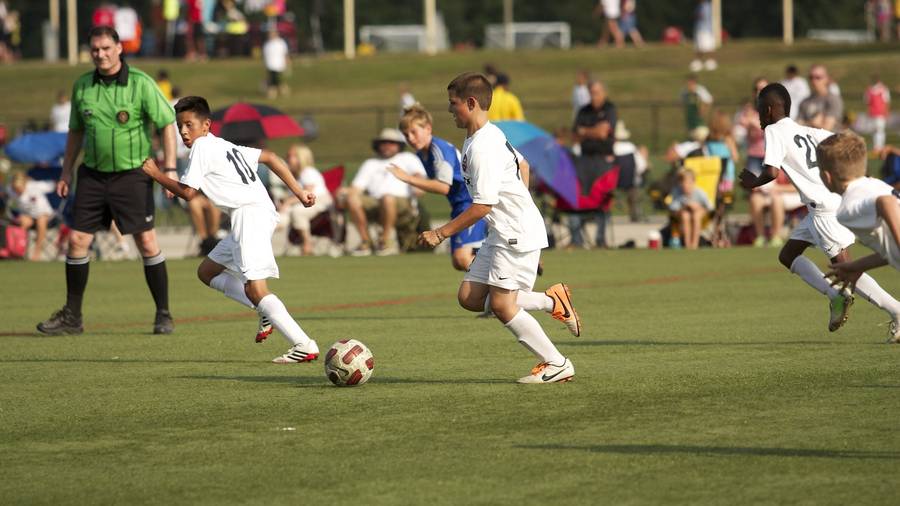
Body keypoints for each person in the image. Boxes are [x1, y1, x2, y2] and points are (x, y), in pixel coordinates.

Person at [419, 71, 581, 384]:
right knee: (469, 297)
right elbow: (523, 165)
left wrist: (441, 233)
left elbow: (483, 206)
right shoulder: (486, 135)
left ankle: (557, 363)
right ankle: (552, 301)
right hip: (503, 230)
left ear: (471, 102)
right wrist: (517, 202)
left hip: (514, 234)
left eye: (453, 104)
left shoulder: (482, 147)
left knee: (503, 306)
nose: (450, 110)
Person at [142, 95, 323, 362]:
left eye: (189, 125)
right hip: (253, 213)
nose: (183, 131)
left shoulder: (202, 147)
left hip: (249, 215)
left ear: (206, 125)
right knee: (207, 271)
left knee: (256, 288)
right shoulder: (223, 145)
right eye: (179, 126)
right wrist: (298, 192)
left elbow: (190, 193)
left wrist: (157, 175)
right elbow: (271, 157)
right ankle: (262, 309)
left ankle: (303, 344)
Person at [36, 26, 178, 336]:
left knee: (146, 242)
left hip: (132, 174)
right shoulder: (83, 86)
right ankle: (72, 317)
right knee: (76, 241)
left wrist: (169, 169)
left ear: (119, 49)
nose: (100, 54)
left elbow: (168, 123)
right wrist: (65, 172)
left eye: (106, 48)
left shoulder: (141, 83)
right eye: (95, 49)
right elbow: (75, 131)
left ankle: (163, 314)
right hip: (92, 175)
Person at [738, 83, 900, 335]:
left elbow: (771, 171)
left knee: (848, 271)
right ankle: (835, 295)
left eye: (760, 109)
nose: (759, 115)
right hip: (822, 207)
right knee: (788, 256)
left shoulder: (773, 130)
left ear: (769, 110)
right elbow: (844, 146)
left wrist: (752, 182)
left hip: (824, 211)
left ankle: (896, 311)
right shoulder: (810, 131)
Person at [819, 132, 900, 343]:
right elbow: (890, 252)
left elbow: (886, 203)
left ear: (826, 177)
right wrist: (856, 266)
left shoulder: (847, 209)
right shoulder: (874, 184)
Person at [391, 103, 488, 271]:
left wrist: (407, 178)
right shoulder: (422, 154)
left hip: (471, 203)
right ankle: (504, 273)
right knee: (462, 261)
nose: (411, 138)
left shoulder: (438, 149)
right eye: (406, 135)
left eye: (414, 132)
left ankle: (509, 271)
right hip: (460, 205)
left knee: (462, 258)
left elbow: (443, 187)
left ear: (428, 128)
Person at [344, 128, 427, 256]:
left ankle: (385, 241)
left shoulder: (407, 158)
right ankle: (365, 242)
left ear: (399, 145)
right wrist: (345, 192)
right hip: (375, 201)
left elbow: (419, 175)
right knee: (352, 198)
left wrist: (419, 186)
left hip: (402, 202)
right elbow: (357, 187)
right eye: (384, 143)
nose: (387, 146)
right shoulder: (370, 163)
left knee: (387, 198)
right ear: (378, 145)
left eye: (391, 142)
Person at [277, 144, 332, 256]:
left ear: (301, 158)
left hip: (319, 202)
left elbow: (307, 192)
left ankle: (307, 244)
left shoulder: (308, 172)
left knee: (297, 212)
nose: (287, 159)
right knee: (281, 217)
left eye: (291, 156)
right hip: (302, 203)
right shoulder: (296, 176)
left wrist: (287, 203)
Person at [8, 172, 55, 261]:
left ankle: (37, 252)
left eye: (19, 188)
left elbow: (52, 185)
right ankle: (19, 251)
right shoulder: (10, 189)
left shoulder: (35, 186)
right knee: (23, 221)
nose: (17, 191)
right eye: (15, 189)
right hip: (28, 216)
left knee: (41, 220)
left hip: (45, 215)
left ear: (24, 184)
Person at [668, 169, 712, 249]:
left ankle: (694, 244)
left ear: (693, 182)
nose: (686, 185)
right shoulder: (677, 192)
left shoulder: (700, 192)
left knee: (696, 215)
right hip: (682, 215)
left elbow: (710, 207)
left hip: (699, 215)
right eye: (684, 183)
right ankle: (687, 245)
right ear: (680, 183)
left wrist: (698, 207)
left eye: (689, 183)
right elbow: (673, 208)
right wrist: (685, 206)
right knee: (685, 215)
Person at [797, 65, 843, 131]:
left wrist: (807, 123)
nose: (813, 80)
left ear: (827, 79)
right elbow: (797, 127)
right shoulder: (804, 102)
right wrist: (813, 123)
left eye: (818, 77)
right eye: (811, 77)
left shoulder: (833, 100)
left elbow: (827, 129)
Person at [865, 74, 890, 151]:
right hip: (874, 113)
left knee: (879, 130)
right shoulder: (870, 90)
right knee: (876, 130)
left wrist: (886, 111)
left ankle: (879, 146)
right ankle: (877, 146)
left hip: (879, 113)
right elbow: (868, 102)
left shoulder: (883, 89)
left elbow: (886, 102)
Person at [262, 29, 289, 99]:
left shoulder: (280, 43)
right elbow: (266, 56)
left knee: (275, 79)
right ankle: (277, 91)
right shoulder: (267, 44)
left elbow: (285, 54)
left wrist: (287, 64)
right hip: (270, 65)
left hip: (279, 65)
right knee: (272, 79)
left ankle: (275, 92)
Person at [691, 0, 716, 72]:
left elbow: (702, 16)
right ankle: (698, 62)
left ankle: (710, 62)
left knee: (708, 46)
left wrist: (696, 15)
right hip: (699, 28)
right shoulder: (699, 6)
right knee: (699, 46)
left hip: (706, 29)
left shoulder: (706, 6)